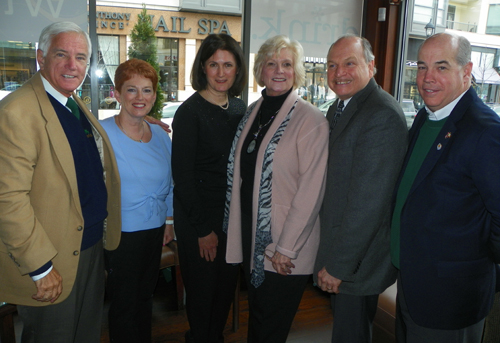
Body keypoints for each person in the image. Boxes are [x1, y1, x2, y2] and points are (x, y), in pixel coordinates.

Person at [0, 22, 121, 342]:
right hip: (51, 259)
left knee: (85, 335)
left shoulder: (71, 101)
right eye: (62, 55)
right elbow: (7, 199)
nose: (72, 65)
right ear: (40, 57)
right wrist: (40, 267)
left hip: (87, 248)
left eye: (81, 57)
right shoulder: (16, 112)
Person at [391, 32, 500, 343]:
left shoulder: (485, 131)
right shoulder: (427, 117)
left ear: (466, 72)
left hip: (450, 297)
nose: (427, 78)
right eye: (422, 67)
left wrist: (474, 257)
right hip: (412, 284)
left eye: (441, 67)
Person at [224, 35, 329, 343]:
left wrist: (286, 248)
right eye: (271, 63)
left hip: (285, 245)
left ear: (296, 71)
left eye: (286, 64)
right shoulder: (253, 112)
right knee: (258, 315)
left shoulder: (311, 120)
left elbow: (311, 192)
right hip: (252, 236)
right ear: (261, 70)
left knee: (271, 324)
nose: (279, 71)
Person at [313, 34, 408, 343]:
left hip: (357, 263)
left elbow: (368, 205)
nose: (339, 72)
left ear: (371, 66)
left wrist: (338, 266)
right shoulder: (339, 108)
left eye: (349, 63)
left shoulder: (380, 114)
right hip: (346, 253)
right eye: (332, 65)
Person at [171, 34, 247, 343]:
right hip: (199, 219)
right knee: (203, 295)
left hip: (232, 219)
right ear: (203, 67)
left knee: (225, 292)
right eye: (213, 64)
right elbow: (183, 177)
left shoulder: (241, 108)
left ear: (237, 69)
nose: (220, 72)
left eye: (227, 65)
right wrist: (203, 230)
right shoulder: (189, 113)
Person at [100, 59, 174, 343]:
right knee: (124, 304)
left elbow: (170, 181)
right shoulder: (103, 133)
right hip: (122, 233)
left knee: (145, 297)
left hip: (155, 229)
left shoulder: (160, 134)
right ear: (117, 94)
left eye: (146, 90)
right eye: (131, 90)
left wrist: (168, 220)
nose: (139, 98)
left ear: (155, 96)